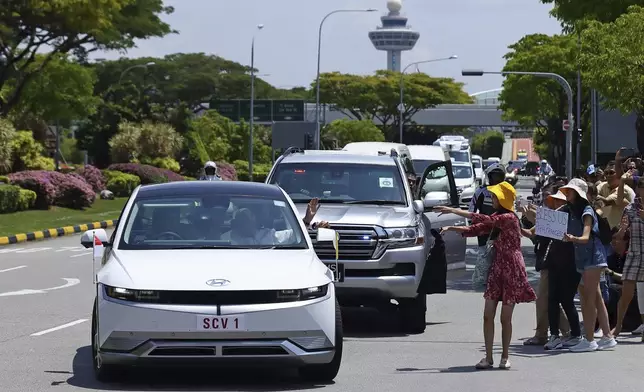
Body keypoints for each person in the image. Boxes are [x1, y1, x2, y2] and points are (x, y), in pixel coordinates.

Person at [437, 181, 536, 370]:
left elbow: (478, 217)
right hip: (497, 267)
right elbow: (476, 228)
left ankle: (505, 357)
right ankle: (489, 357)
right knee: (487, 314)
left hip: (512, 268)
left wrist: (454, 211)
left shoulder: (509, 217)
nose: (491, 199)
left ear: (502, 199)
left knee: (505, 318)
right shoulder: (498, 217)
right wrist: (451, 228)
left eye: (495, 196)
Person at [560, 178, 618, 351]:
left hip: (593, 256)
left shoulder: (586, 210)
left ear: (578, 193)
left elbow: (585, 237)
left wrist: (573, 238)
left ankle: (590, 340)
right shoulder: (570, 209)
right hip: (584, 257)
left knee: (588, 298)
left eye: (570, 191)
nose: (567, 193)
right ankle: (607, 336)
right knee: (596, 298)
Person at [541, 191, 582, 349]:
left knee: (566, 299)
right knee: (552, 299)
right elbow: (539, 231)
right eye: (555, 201)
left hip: (571, 262)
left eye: (560, 200)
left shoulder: (581, 213)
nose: (557, 203)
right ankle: (554, 336)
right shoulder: (559, 213)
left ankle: (576, 334)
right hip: (555, 261)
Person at [611, 176, 644, 336]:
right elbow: (619, 236)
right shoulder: (630, 209)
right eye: (641, 187)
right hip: (635, 254)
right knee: (626, 293)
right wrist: (622, 230)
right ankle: (617, 327)